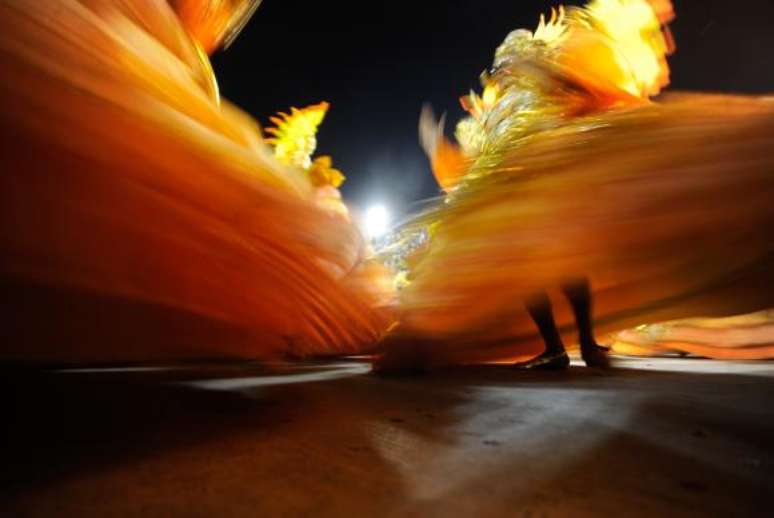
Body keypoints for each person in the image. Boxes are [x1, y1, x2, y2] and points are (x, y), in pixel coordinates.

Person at [375, 0, 774, 372]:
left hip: (542, 186)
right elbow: (490, 148)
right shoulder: (513, 105)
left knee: (555, 267)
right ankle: (569, 346)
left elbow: (578, 100)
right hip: (526, 189)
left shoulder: (545, 84)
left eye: (507, 64)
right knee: (541, 269)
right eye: (503, 67)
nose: (504, 72)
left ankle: (574, 344)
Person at [0, 0, 393, 364]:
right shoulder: (137, 28)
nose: (223, 24)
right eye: (220, 10)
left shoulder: (185, 57)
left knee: (329, 239)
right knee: (322, 243)